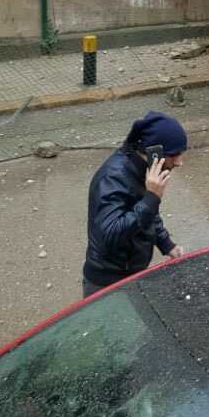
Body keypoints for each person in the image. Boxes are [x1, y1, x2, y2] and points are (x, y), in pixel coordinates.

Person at [82, 111, 188, 298]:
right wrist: (150, 198)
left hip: (131, 274)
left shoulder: (141, 169)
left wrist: (166, 244)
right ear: (154, 152)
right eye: (175, 154)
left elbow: (148, 214)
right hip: (107, 283)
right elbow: (109, 236)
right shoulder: (113, 177)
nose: (179, 162)